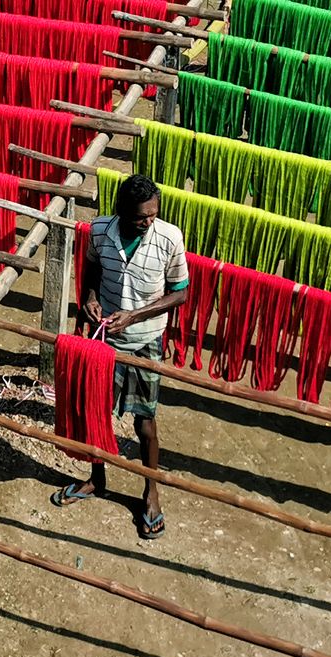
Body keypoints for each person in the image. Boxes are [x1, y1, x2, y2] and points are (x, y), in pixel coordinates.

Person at [51, 175, 189, 540]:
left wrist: (136, 316)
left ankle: (151, 492)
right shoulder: (99, 231)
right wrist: (91, 298)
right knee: (96, 415)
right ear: (121, 213)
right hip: (105, 340)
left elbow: (180, 293)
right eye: (141, 217)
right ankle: (97, 480)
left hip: (145, 340)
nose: (149, 222)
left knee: (145, 424)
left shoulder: (169, 238)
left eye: (153, 214)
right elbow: (93, 268)